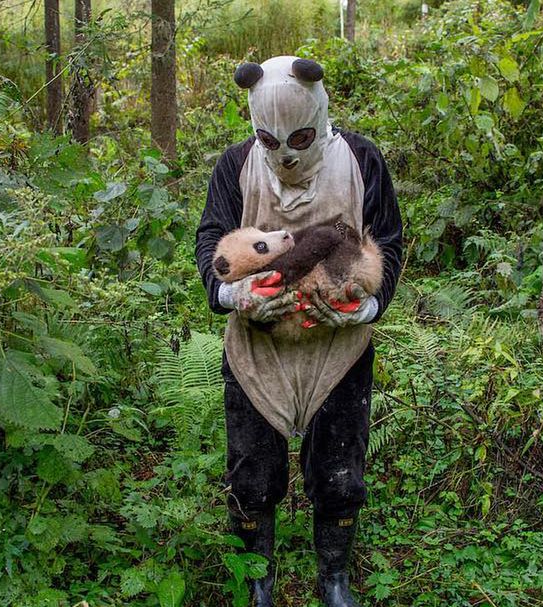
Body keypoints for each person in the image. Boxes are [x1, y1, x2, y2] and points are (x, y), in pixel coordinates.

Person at [194, 55, 403, 607]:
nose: (285, 152)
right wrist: (230, 295)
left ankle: (334, 579)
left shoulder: (361, 160)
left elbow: (390, 241)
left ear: (320, 109)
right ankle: (258, 583)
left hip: (337, 349)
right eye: (269, 139)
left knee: (339, 476)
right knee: (252, 477)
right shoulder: (235, 165)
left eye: (299, 137)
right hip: (257, 351)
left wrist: (369, 307)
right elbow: (211, 239)